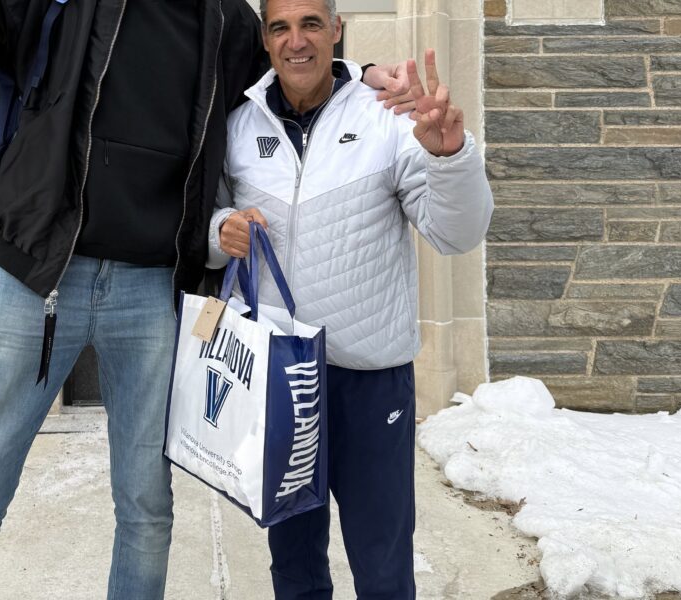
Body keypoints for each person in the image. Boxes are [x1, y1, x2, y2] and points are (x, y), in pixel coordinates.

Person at [0, 1, 411, 598]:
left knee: (146, 509)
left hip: (150, 287)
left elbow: (294, 63)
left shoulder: (226, 17)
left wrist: (361, 74)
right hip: (39, 276)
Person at [207, 0, 494, 598]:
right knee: (294, 566)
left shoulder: (388, 116)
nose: (297, 42)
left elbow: (456, 232)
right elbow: (206, 226)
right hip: (282, 382)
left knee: (383, 565)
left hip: (370, 382)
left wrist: (448, 156)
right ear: (264, 39)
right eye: (281, 27)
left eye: (311, 23)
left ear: (337, 30)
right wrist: (221, 231)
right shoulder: (240, 125)